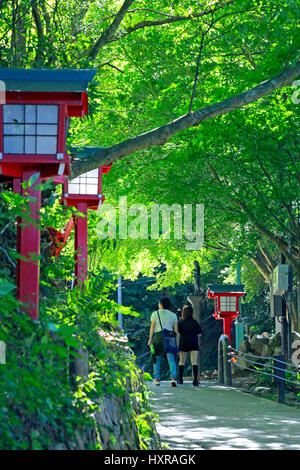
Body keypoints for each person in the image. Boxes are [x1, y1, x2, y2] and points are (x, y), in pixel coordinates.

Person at [148, 296, 178, 387]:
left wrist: (150, 339)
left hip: (158, 338)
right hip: (169, 338)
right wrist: (176, 343)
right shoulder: (173, 315)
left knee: (156, 359)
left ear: (160, 304)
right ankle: (173, 378)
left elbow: (152, 327)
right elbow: (176, 331)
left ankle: (157, 379)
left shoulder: (155, 314)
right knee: (171, 360)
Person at [177, 305, 202, 387]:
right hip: (193, 342)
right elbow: (199, 333)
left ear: (183, 312)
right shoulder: (195, 322)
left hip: (183, 342)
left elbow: (178, 333)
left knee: (181, 361)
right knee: (194, 362)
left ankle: (180, 379)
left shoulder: (180, 322)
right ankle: (195, 380)